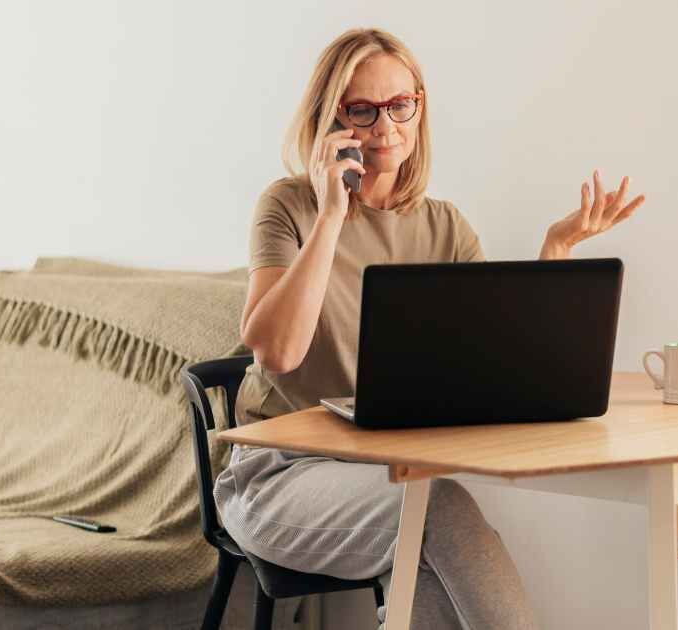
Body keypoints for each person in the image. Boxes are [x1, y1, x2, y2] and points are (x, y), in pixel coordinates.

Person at [213, 27, 645, 630]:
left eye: (399, 105)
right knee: (436, 512)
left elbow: (506, 362)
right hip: (280, 474)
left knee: (428, 547)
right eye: (360, 109)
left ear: (420, 108)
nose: (384, 127)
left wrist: (557, 247)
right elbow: (279, 352)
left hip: (387, 470)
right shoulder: (288, 207)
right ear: (330, 117)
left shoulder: (444, 226)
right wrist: (333, 215)